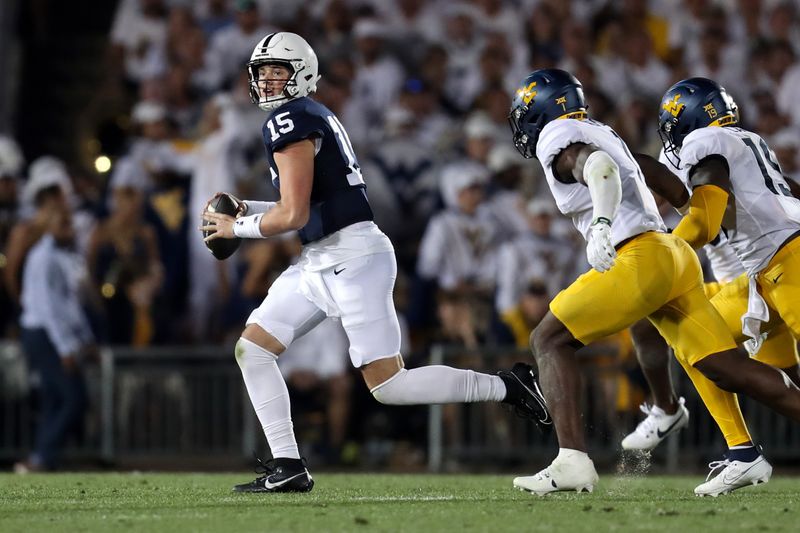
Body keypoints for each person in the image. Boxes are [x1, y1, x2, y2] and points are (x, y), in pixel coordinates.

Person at [200, 32, 549, 494]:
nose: (266, 80)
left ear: (300, 73)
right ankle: (288, 464)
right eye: (261, 71)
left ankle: (508, 386)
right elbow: (304, 204)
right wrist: (248, 207)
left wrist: (236, 229)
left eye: (277, 70)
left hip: (352, 257)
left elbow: (294, 214)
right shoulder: (306, 115)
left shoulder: (291, 118)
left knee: (389, 385)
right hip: (321, 257)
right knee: (253, 349)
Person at [506, 69, 800, 496]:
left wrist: (604, 224)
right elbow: (654, 176)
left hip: (649, 253)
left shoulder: (559, 132)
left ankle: (572, 458)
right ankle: (721, 439)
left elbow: (602, 167)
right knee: (720, 364)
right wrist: (681, 211)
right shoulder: (603, 129)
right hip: (678, 257)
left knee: (549, 339)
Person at [628, 76, 800, 493]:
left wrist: (665, 251)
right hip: (766, 276)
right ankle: (741, 452)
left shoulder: (703, 143)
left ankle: (737, 447)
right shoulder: (748, 140)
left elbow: (706, 218)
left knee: (688, 328)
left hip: (787, 264)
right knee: (691, 328)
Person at [14, 207, 95, 472]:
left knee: (53, 398)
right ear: (49, 226)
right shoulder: (43, 257)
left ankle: (42, 457)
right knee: (74, 397)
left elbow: (69, 304)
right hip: (43, 334)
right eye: (63, 225)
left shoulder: (61, 256)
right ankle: (42, 456)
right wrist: (66, 348)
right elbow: (49, 308)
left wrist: (84, 337)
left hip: (49, 334)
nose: (70, 230)